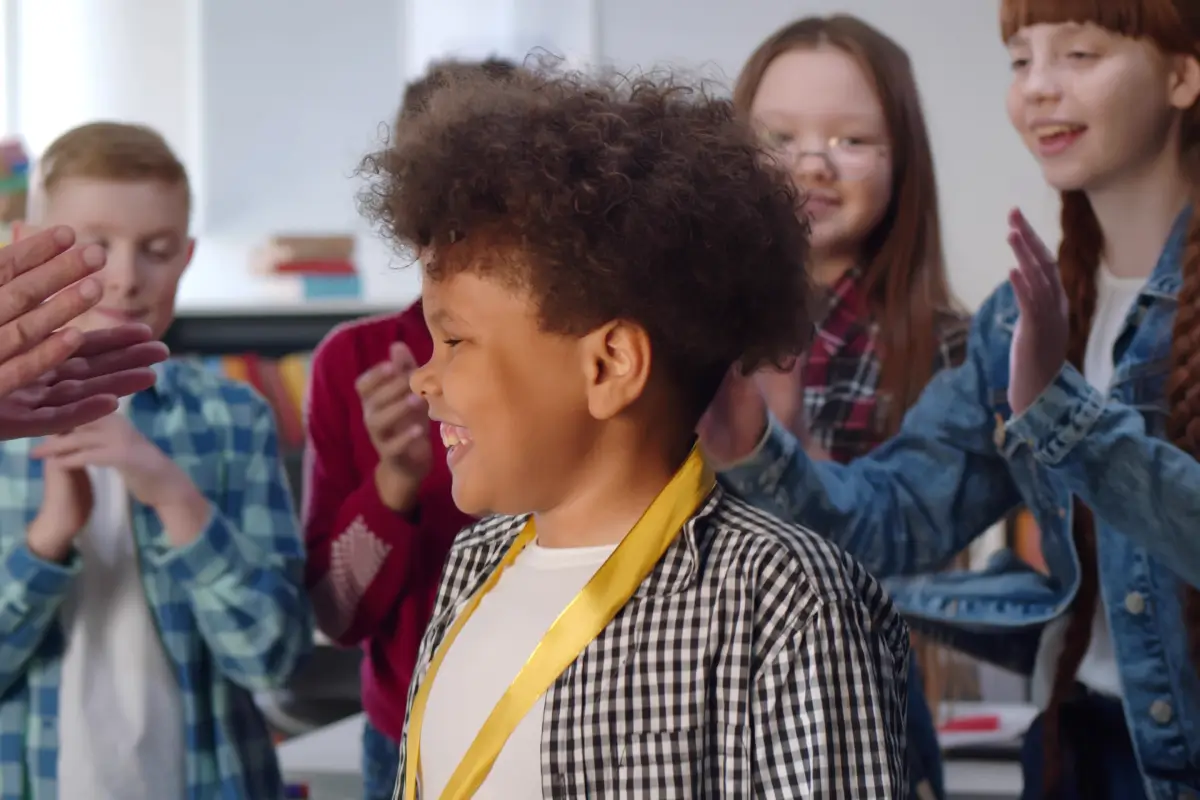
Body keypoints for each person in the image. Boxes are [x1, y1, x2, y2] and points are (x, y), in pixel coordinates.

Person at [358, 64, 909, 798]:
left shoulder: (787, 601)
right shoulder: (474, 564)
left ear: (609, 364)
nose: (426, 379)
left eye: (454, 342)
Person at [700, 0, 1200, 796]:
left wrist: (1061, 416)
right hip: (1072, 750)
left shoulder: (982, 332)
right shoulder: (1018, 320)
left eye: (1077, 55)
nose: (1038, 88)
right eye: (1019, 61)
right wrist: (755, 445)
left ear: (1182, 75)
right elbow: (895, 519)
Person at [0, 121, 311, 799]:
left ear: (188, 257)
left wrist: (177, 498)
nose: (123, 278)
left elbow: (270, 659)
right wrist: (49, 537)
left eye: (157, 250)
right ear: (26, 249)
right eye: (94, 246)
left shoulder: (234, 417)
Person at [732, 15, 969, 798]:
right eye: (777, 138)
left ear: (904, 160)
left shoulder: (951, 351)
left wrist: (783, 447)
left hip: (863, 719)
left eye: (850, 141)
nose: (810, 166)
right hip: (690, 711)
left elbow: (908, 546)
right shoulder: (682, 330)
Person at [303, 57, 517, 800]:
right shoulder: (353, 363)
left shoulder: (576, 355)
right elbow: (336, 614)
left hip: (564, 721)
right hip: (407, 740)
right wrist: (390, 484)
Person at [0, 226, 169, 438]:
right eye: (96, 246)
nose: (127, 281)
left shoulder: (219, 408)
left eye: (159, 251)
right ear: (24, 242)